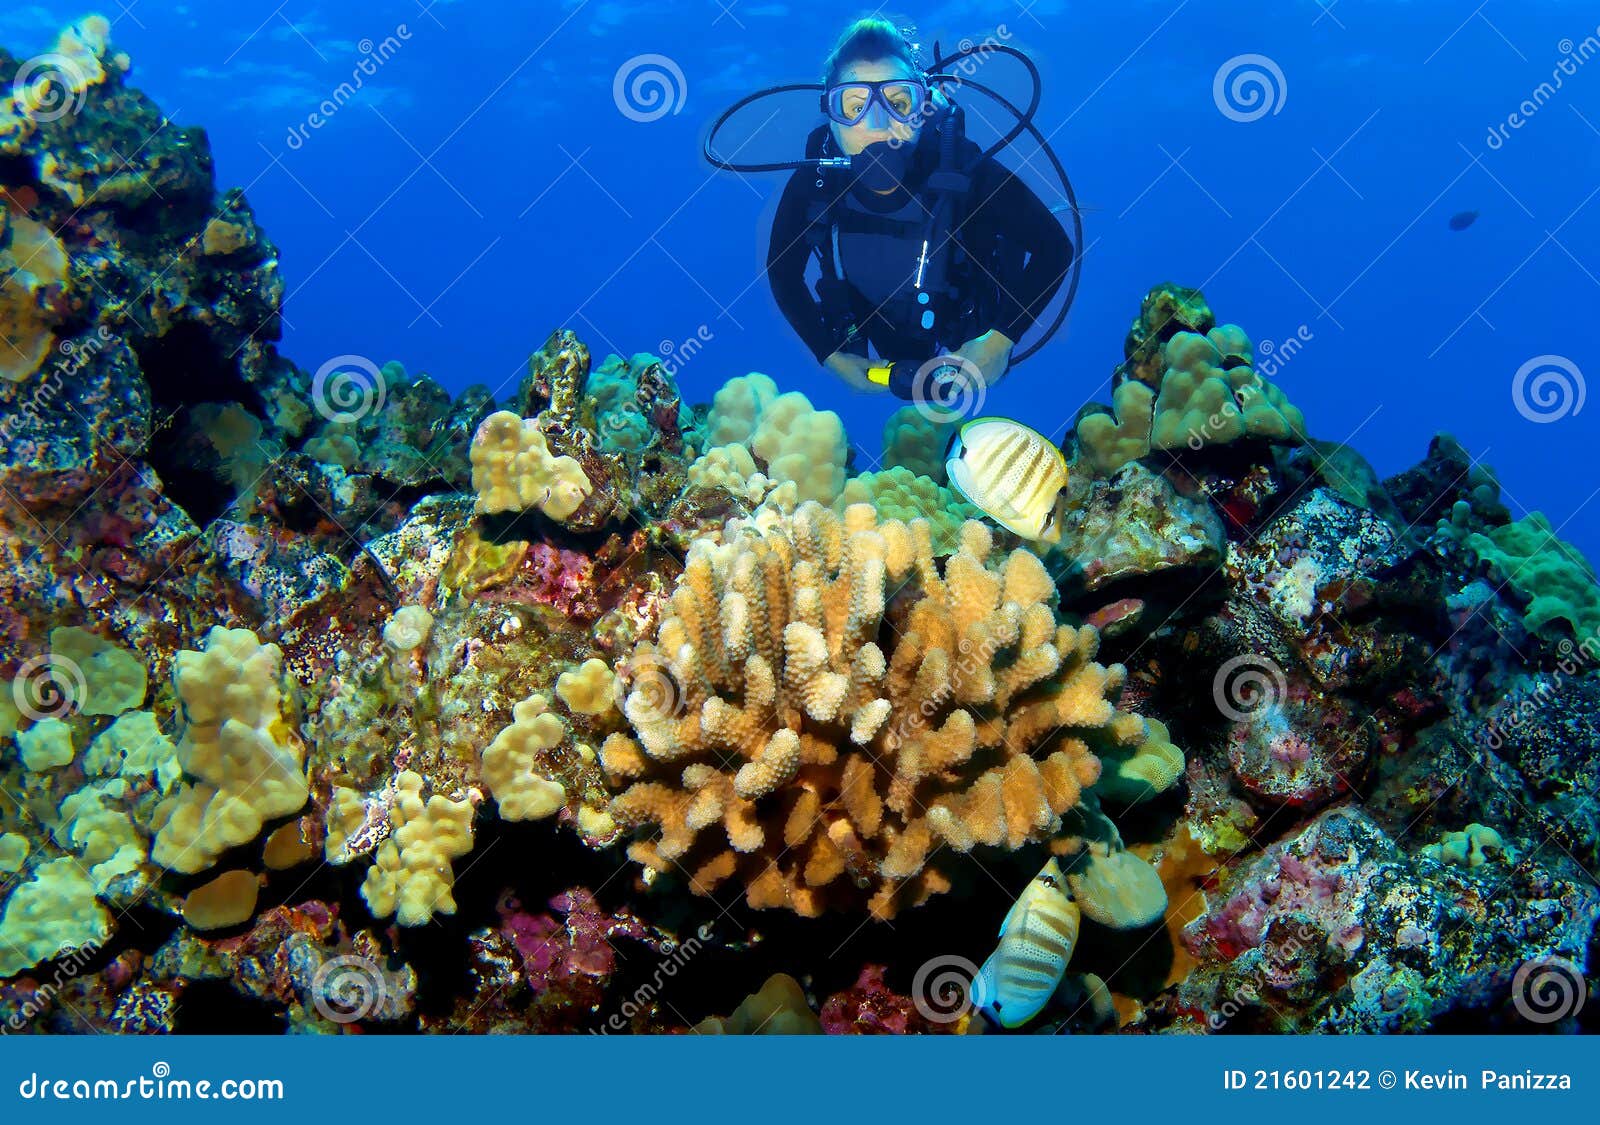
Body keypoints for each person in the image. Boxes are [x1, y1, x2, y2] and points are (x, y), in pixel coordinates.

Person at [767, 18, 1073, 399]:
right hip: (871, 326)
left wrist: (1000, 340)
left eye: (898, 102)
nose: (878, 126)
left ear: (922, 106)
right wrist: (831, 355)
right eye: (855, 106)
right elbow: (782, 271)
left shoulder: (964, 172)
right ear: (831, 115)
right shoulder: (814, 185)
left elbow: (1055, 248)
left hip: (963, 323)